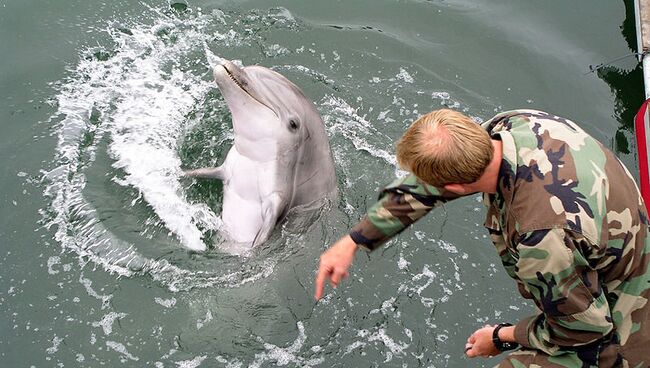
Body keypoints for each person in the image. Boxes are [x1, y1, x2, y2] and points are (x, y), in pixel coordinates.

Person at [314, 109, 650, 367]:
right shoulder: (511, 126)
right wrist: (355, 240)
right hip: (617, 246)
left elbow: (583, 330)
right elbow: (433, 183)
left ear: (457, 189)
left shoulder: (540, 238)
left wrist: (501, 337)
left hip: (626, 319)